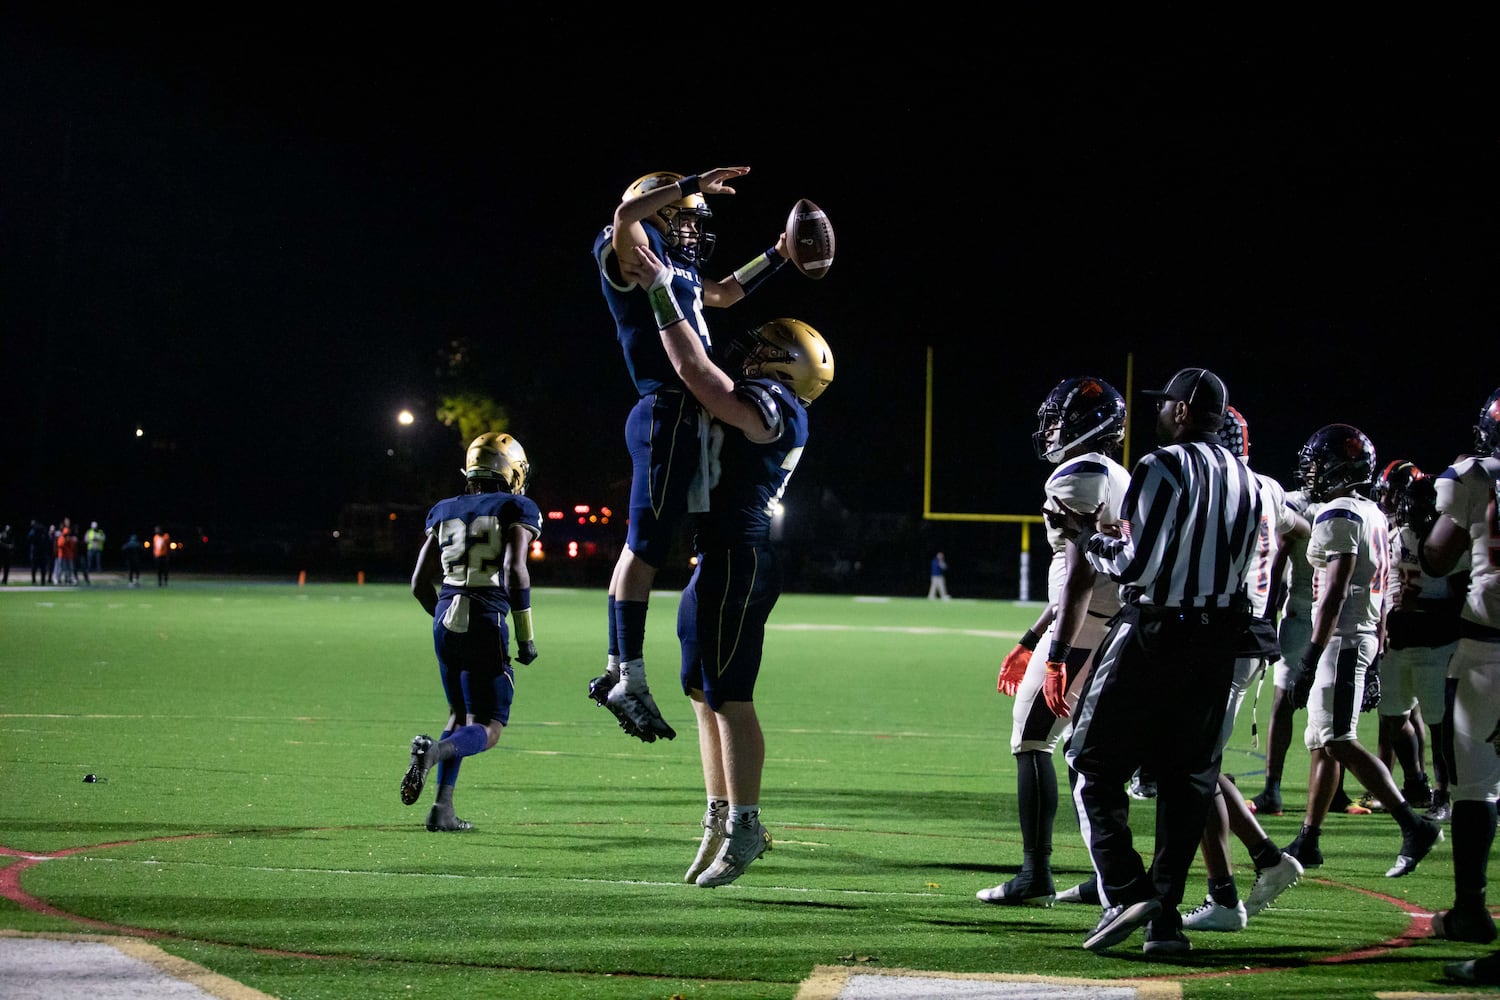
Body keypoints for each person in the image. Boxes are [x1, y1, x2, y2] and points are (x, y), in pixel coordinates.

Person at [637, 240, 833, 887]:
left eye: (761, 349)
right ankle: (720, 815)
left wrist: (664, 292)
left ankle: (748, 822)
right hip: (711, 559)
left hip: (740, 560)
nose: (747, 354)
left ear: (785, 363)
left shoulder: (782, 409)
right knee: (700, 695)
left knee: (731, 698)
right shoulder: (773, 396)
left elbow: (703, 380)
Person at [1052, 366, 1262, 956]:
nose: (1159, 412)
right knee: (1185, 782)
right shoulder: (1249, 479)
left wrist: (1086, 533)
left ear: (1184, 410)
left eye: (1167, 403)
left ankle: (1125, 889)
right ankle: (1163, 922)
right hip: (1220, 638)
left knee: (1089, 761)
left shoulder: (1161, 465)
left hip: (1157, 631)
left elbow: (1135, 567)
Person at [588, 165, 796, 744]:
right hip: (668, 407)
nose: (692, 227)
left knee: (660, 545)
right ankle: (624, 670)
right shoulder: (632, 245)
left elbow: (723, 293)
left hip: (686, 413)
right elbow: (623, 217)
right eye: (683, 215)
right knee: (646, 547)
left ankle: (618, 670)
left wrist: (776, 255)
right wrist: (694, 180)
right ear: (656, 211)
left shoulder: (672, 264)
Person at [980, 376, 1130, 908]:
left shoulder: (1080, 474)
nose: (1051, 431)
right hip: (1105, 624)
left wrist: (1058, 654)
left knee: (1031, 738)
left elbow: (1081, 576)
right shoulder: (1115, 473)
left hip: (1087, 628)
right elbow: (1076, 573)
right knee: (1083, 750)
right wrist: (1029, 640)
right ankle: (1108, 871)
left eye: (1061, 421)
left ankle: (1034, 873)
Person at [1282, 424, 1444, 878]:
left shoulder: (1340, 513)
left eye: (1318, 464)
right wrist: (1375, 651)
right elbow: (1383, 585)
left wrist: (1311, 658)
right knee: (1322, 742)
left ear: (1336, 467)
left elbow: (1334, 591)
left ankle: (1413, 824)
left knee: (1337, 739)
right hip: (1359, 635)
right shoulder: (1371, 512)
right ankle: (1309, 838)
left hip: (1341, 638)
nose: (1311, 473)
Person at [1181, 405, 1309, 932]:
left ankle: (1225, 894)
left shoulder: (1221, 483)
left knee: (1190, 768)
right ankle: (1265, 859)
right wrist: (1277, 583)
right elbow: (1302, 528)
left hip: (1221, 633)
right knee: (1199, 763)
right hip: (1248, 633)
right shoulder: (1269, 487)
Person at [399, 432, 542, 833]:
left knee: (458, 713)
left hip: (445, 613)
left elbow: (416, 583)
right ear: (510, 471)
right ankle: (435, 753)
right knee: (490, 725)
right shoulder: (517, 506)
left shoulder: (442, 509)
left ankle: (442, 808)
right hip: (486, 614)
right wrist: (526, 635)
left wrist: (440, 617)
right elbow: (515, 570)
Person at [1418, 387, 1500, 981]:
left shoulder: (1472, 476)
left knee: (1476, 788)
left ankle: (1471, 908)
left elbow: (1439, 557)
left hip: (1487, 654)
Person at [1371, 460, 1463, 821]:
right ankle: (1415, 781)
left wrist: (1420, 605)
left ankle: (1444, 793)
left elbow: (1460, 603)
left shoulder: (1450, 544)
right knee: (1393, 716)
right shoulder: (1396, 537)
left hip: (1436, 645)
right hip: (1400, 641)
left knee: (1440, 725)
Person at [27, 519, 49, 585]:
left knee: (35, 567)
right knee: (42, 567)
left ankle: (34, 581)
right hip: (41, 551)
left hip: (36, 552)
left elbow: (29, 539)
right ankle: (42, 581)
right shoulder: (42, 530)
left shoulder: (34, 530)